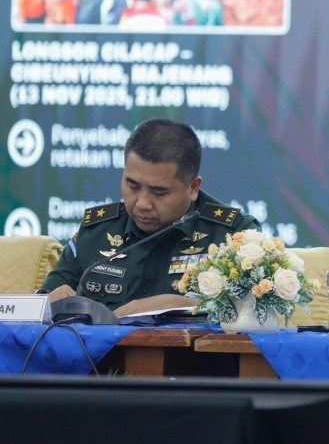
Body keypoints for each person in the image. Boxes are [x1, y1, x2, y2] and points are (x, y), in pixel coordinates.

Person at [40, 118, 259, 316]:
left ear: (193, 187)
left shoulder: (234, 236)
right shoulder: (97, 231)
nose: (142, 203)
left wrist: (178, 303)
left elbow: (256, 314)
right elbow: (41, 305)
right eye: (132, 185)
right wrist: (46, 305)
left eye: (159, 192)